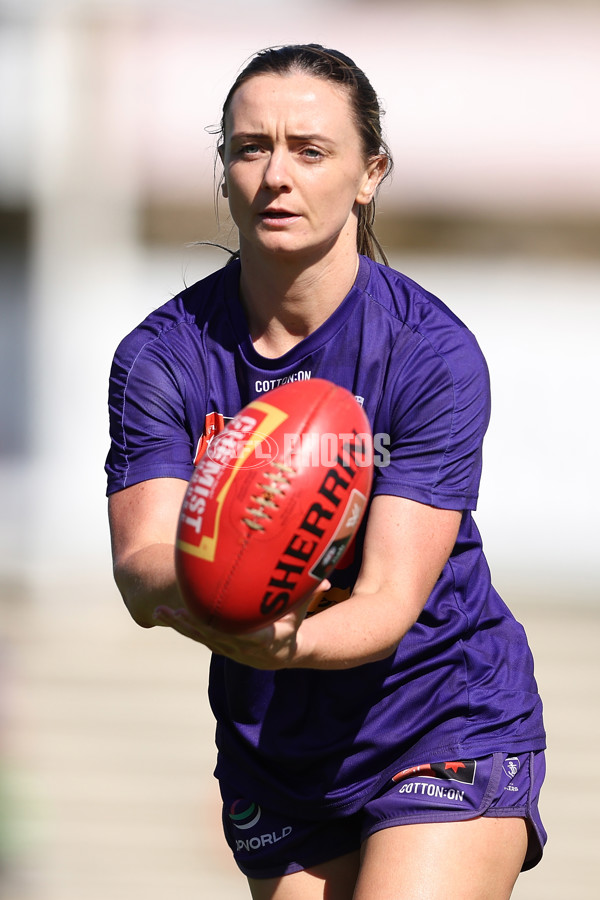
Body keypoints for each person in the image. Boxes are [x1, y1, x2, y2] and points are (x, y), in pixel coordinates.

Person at [106, 44, 546, 900]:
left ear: (369, 172)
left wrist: (282, 634)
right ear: (225, 167)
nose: (277, 175)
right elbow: (139, 566)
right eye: (250, 147)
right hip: (276, 740)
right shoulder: (160, 356)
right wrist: (221, 581)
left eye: (310, 150)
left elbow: (386, 602)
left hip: (441, 710)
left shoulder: (430, 354)